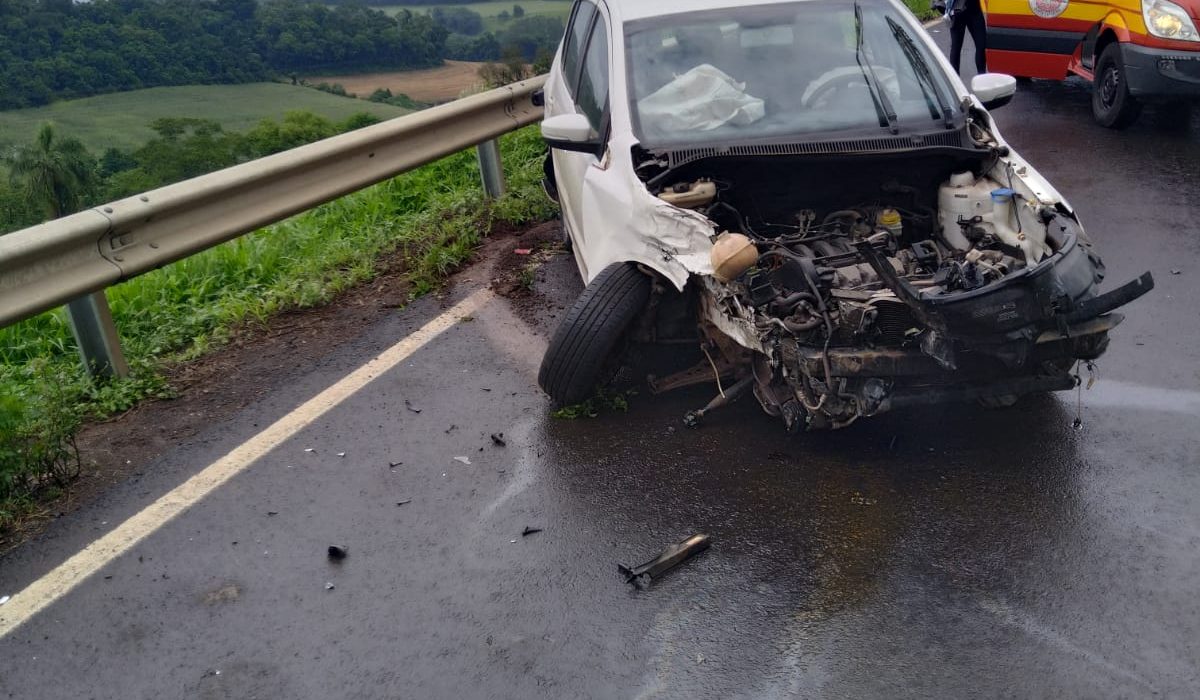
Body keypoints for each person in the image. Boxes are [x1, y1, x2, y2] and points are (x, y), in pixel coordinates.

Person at [944, 0, 987, 75]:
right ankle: (955, 81)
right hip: (957, 11)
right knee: (956, 48)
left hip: (974, 9)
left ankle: (982, 78)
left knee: (981, 45)